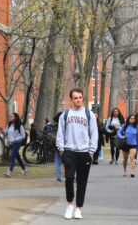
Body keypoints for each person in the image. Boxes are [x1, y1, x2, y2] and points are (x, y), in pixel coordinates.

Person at [56, 88, 98, 220]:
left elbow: (94, 134)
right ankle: (69, 204)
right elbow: (60, 133)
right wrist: (61, 150)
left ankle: (78, 208)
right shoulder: (65, 115)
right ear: (71, 99)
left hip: (84, 153)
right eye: (75, 98)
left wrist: (91, 152)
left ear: (82, 98)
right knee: (69, 178)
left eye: (80, 97)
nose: (78, 100)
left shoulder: (89, 114)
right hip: (69, 152)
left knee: (82, 181)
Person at [0, 113, 27, 177]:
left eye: (12, 116)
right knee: (18, 157)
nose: (10, 117)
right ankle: (24, 170)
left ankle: (9, 171)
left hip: (17, 143)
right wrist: (1, 129)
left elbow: (23, 136)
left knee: (12, 156)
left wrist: (15, 139)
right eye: (10, 116)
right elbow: (5, 134)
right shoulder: (9, 125)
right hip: (11, 144)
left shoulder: (20, 126)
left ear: (15, 117)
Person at [51, 112, 63, 182]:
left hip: (57, 146)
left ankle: (58, 177)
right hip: (65, 147)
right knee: (68, 162)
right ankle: (70, 176)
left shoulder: (55, 127)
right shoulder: (66, 126)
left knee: (57, 162)